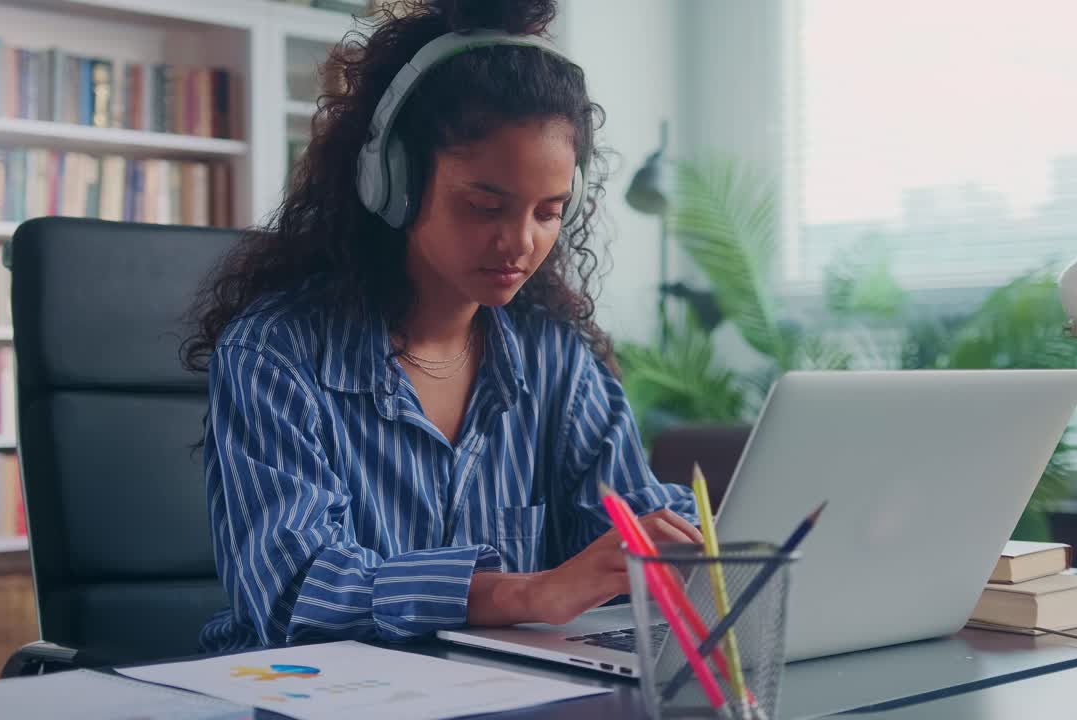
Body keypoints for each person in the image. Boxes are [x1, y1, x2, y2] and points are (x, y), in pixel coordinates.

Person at [182, 0, 699, 653]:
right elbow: (294, 595)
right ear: (391, 180)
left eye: (549, 211)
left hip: (507, 694)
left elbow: (619, 538)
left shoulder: (557, 363)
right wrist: (524, 593)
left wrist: (681, 546)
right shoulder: (278, 352)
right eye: (486, 205)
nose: (520, 242)